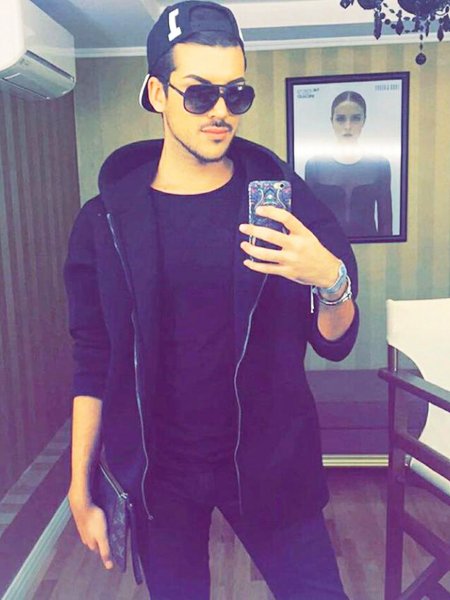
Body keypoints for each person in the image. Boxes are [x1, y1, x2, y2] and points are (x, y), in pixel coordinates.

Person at [63, 2, 359, 599]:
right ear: (158, 93)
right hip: (160, 476)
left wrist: (331, 279)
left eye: (236, 94)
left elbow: (335, 340)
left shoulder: (281, 202)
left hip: (272, 462)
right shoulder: (106, 221)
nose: (221, 111)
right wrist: (79, 486)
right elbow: (94, 360)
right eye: (199, 94)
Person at [305, 90, 393, 239]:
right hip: (325, 247)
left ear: (364, 120)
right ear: (332, 121)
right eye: (340, 119)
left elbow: (386, 224)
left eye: (355, 118)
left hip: (371, 246)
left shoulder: (380, 165)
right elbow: (309, 219)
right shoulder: (314, 165)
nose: (347, 126)